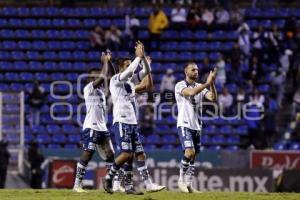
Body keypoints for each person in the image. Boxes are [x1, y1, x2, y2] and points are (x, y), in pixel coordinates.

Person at [103, 42, 165, 194]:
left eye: (131, 64)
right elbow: (132, 70)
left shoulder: (130, 83)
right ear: (121, 68)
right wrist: (138, 58)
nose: (131, 66)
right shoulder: (116, 80)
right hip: (121, 122)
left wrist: (143, 59)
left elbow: (146, 71)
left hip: (132, 123)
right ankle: (109, 178)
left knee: (139, 154)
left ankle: (143, 185)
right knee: (126, 154)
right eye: (128, 64)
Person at [73, 51, 115, 192]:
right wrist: (104, 62)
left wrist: (108, 62)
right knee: (88, 153)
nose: (97, 76)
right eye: (94, 75)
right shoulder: (88, 88)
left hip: (103, 127)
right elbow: (103, 75)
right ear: (89, 78)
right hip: (91, 126)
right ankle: (77, 185)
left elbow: (112, 77)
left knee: (110, 155)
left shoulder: (102, 92)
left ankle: (110, 183)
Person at [175, 62, 217, 193]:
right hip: (185, 123)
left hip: (197, 125)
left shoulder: (200, 86)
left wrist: (211, 83)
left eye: (197, 70)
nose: (196, 72)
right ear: (186, 72)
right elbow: (191, 92)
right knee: (189, 152)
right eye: (193, 70)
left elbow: (212, 97)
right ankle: (181, 180)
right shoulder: (180, 85)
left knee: (194, 157)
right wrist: (207, 83)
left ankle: (189, 184)